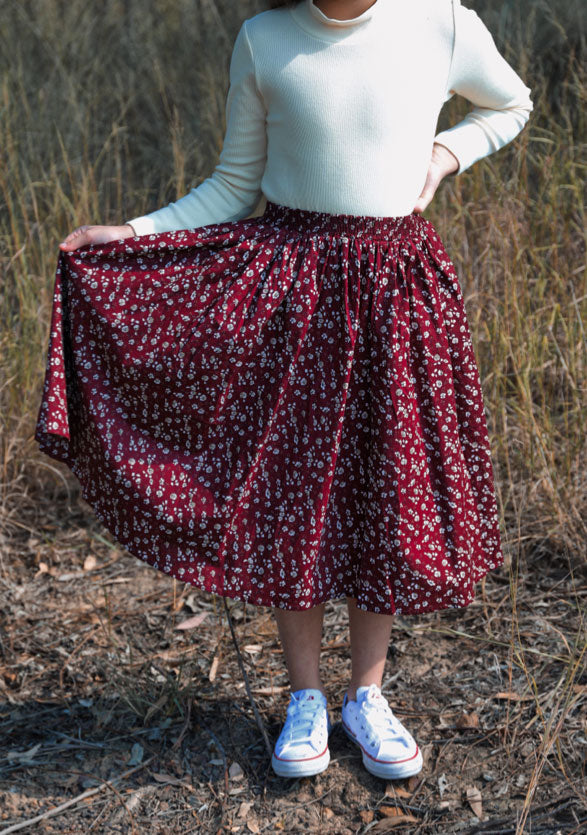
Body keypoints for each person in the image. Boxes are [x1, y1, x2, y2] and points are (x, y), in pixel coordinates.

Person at [38, 0, 533, 781]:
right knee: (292, 495)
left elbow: (511, 103)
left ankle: (365, 695)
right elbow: (233, 184)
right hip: (293, 298)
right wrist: (131, 233)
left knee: (385, 486)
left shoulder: (440, 23)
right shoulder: (264, 40)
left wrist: (443, 154)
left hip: (396, 292)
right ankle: (305, 696)